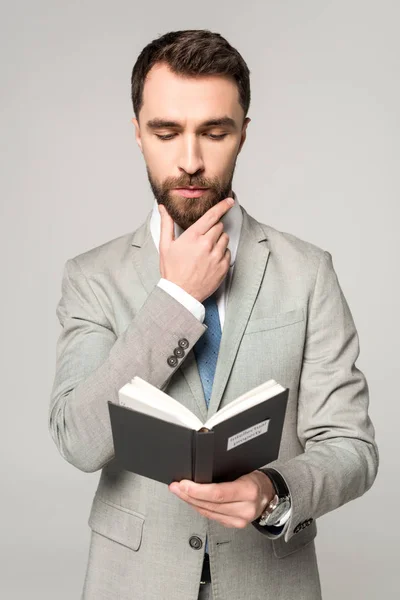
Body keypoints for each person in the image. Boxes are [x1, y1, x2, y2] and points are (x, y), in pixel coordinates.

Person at [48, 29, 378, 600]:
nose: (191, 160)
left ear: (243, 134)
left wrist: (273, 490)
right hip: (133, 582)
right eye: (166, 131)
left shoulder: (309, 272)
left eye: (214, 131)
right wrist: (174, 300)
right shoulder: (91, 277)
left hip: (270, 578)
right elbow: (79, 440)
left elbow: (351, 446)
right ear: (137, 133)